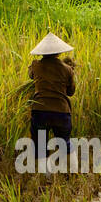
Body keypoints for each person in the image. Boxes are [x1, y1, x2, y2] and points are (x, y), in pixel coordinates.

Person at [27, 32, 76, 169]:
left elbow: (31, 75)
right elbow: (71, 92)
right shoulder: (68, 70)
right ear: (58, 53)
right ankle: (72, 172)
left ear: (42, 52)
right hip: (61, 111)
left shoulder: (35, 65)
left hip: (40, 111)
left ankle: (45, 176)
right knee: (64, 143)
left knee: (40, 145)